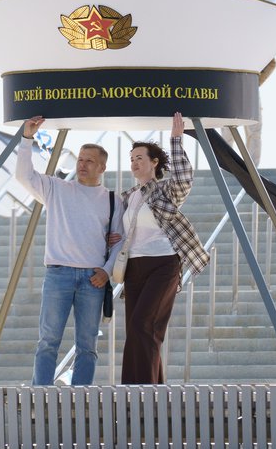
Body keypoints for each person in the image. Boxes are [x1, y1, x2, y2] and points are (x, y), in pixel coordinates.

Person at [17, 116, 124, 386]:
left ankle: (81, 396)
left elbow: (119, 241)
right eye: (80, 159)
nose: (82, 164)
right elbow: (23, 176)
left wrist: (106, 271)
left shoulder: (113, 200)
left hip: (93, 278)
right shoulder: (56, 188)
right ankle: (41, 393)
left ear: (102, 167)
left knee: (88, 345)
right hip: (58, 274)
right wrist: (27, 139)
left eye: (89, 161)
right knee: (48, 340)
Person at [120, 112, 210, 384]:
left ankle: (145, 394)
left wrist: (176, 141)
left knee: (144, 325)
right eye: (131, 159)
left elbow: (184, 178)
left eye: (140, 158)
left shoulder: (165, 190)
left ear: (154, 162)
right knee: (136, 330)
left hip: (163, 264)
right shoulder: (128, 197)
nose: (134, 163)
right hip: (133, 267)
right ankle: (142, 390)